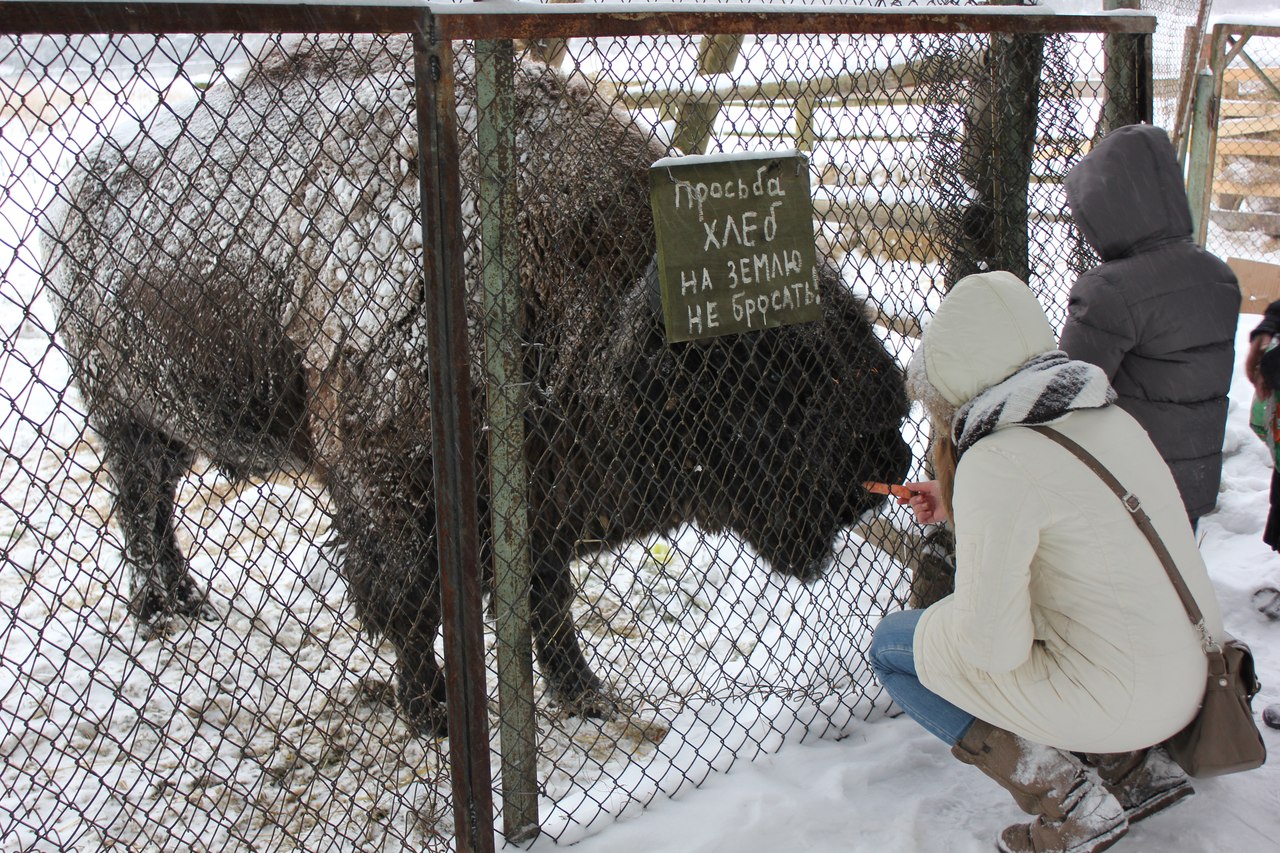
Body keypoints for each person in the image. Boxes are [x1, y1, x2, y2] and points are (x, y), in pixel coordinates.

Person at [870, 271, 1225, 853]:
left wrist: (954, 611)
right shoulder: (1105, 415)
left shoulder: (995, 459)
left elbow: (991, 647)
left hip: (1124, 699)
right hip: (1191, 679)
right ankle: (1134, 771)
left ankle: (1068, 802)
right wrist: (957, 501)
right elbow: (1071, 526)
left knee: (896, 646)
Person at [1058, 124, 1240, 530]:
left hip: (1128, 488)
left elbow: (1067, 391)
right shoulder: (1217, 276)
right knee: (1173, 583)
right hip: (1190, 481)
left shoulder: (1109, 291)